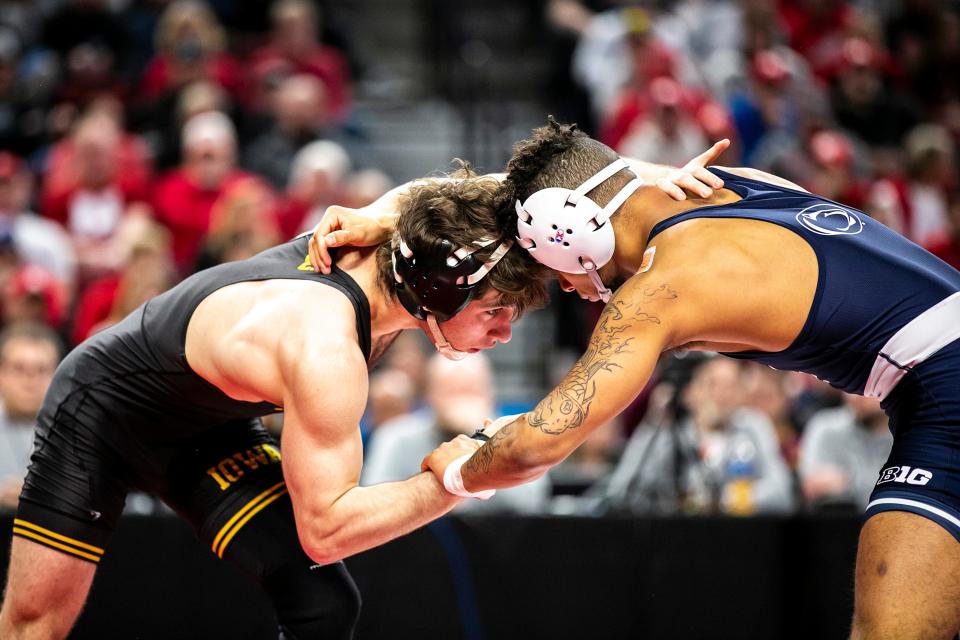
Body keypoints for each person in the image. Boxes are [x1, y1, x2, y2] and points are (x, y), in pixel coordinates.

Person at [314, 120, 960, 637]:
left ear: (570, 233)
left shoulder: (664, 289)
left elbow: (540, 444)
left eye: (552, 266)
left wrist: (454, 471)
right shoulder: (726, 182)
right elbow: (575, 178)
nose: (567, 285)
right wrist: (395, 214)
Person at [0, 167, 551, 639]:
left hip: (208, 430)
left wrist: (384, 213)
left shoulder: (398, 236)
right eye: (495, 311)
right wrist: (456, 479)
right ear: (440, 290)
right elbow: (327, 530)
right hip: (103, 412)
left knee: (324, 604)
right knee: (37, 623)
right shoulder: (326, 348)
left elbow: (498, 189)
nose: (504, 333)